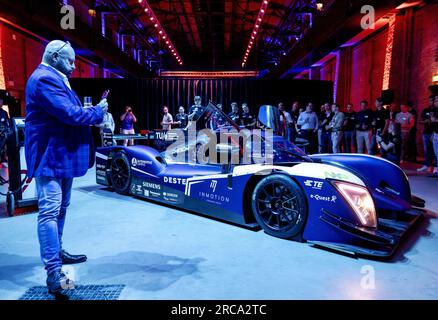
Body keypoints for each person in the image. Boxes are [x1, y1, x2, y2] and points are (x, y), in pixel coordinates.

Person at [24, 40, 108, 296]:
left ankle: (57, 254)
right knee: (49, 213)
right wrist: (98, 111)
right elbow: (70, 114)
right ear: (55, 56)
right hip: (49, 157)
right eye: (70, 61)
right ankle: (53, 275)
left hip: (60, 156)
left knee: (60, 209)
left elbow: (66, 112)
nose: (74, 66)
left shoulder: (53, 77)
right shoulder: (44, 79)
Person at [417, 95, 436, 172]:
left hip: (434, 132)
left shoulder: (436, 110)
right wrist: (425, 121)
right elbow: (419, 120)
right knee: (426, 150)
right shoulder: (426, 110)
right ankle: (426, 165)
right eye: (429, 100)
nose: (430, 102)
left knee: (435, 151)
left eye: (431, 100)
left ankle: (435, 167)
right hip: (426, 132)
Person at [0, 98, 10, 167]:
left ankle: (3, 159)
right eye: (0, 102)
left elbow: (7, 122)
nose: (1, 103)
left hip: (3, 132)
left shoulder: (4, 112)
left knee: (3, 147)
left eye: (2, 102)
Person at [431, 96, 438, 177]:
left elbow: (434, 120)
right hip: (435, 133)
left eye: (436, 100)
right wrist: (433, 133)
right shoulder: (435, 110)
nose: (435, 102)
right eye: (435, 100)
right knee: (436, 154)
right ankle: (436, 171)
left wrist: (434, 119)